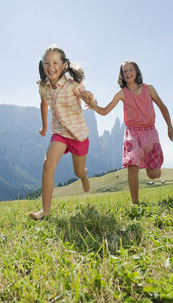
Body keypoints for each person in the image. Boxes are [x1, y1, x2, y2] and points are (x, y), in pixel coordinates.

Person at [82, 61, 173, 204]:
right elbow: (105, 111)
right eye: (125, 71)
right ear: (122, 76)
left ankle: (157, 170)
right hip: (132, 133)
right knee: (132, 165)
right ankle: (135, 204)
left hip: (150, 133)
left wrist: (169, 127)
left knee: (153, 174)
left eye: (131, 70)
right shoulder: (122, 94)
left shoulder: (148, 89)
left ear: (136, 72)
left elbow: (163, 107)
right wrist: (94, 106)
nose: (128, 73)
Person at [28, 46, 95, 220]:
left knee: (78, 172)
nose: (51, 66)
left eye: (55, 62)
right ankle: (45, 211)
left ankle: (84, 176)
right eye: (47, 63)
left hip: (78, 134)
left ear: (64, 65)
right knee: (48, 164)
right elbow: (44, 104)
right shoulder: (44, 88)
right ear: (43, 66)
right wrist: (44, 127)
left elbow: (88, 96)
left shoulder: (73, 86)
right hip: (59, 132)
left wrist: (90, 99)